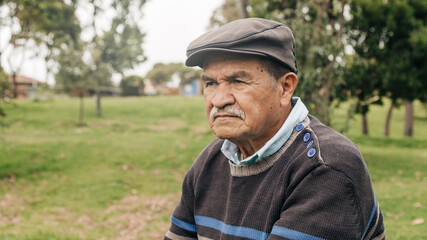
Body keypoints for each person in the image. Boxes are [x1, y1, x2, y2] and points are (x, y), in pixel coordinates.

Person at [165, 18, 385, 240]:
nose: (219, 99)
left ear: (285, 87)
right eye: (210, 83)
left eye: (238, 81)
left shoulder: (325, 167)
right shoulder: (210, 161)